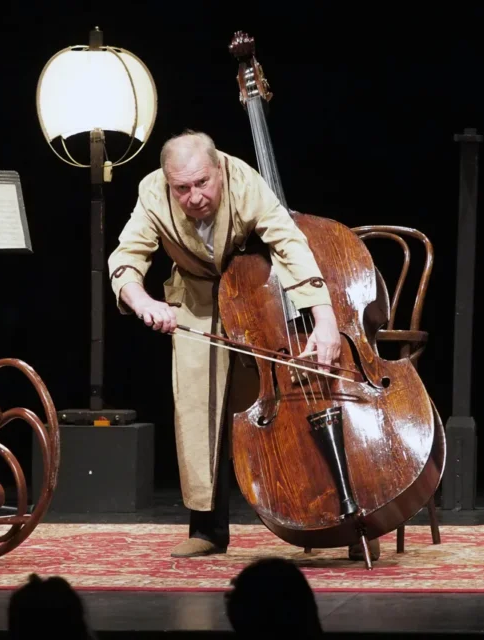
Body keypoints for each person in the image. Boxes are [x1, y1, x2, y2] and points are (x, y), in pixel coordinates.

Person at [107, 130, 379, 562]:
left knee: (303, 401)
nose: (194, 196)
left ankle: (348, 517)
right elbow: (126, 256)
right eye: (182, 188)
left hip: (257, 294)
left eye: (202, 183)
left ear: (219, 170)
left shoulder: (244, 180)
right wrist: (141, 300)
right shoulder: (152, 193)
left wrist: (324, 318)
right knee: (198, 408)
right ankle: (208, 530)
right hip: (197, 299)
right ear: (167, 182)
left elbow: (288, 241)